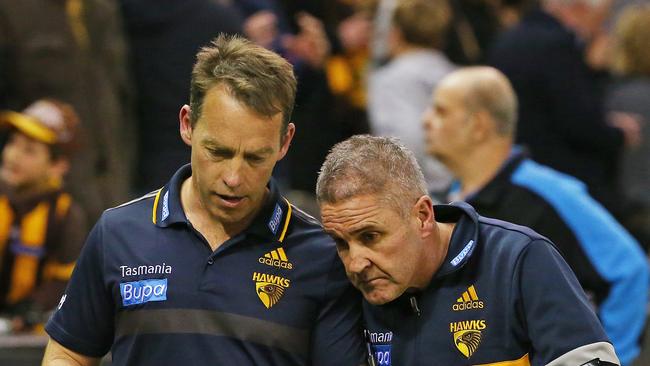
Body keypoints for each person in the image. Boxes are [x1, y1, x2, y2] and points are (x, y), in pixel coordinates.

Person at [42, 35, 366, 366]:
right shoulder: (118, 233)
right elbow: (68, 353)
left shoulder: (323, 257)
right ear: (188, 124)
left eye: (255, 157)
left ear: (285, 142)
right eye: (218, 151)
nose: (234, 177)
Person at [317, 134, 621, 365]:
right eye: (341, 242)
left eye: (370, 236)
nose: (355, 263)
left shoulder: (518, 260)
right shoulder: (340, 287)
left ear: (423, 216)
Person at [422, 66, 648, 365]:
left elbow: (629, 270)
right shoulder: (448, 205)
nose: (426, 122)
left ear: (478, 125)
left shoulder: (551, 193)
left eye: (440, 111)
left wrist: (605, 356)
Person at [487, 0, 641, 215]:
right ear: (580, 9)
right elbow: (579, 122)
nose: (602, 29)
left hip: (517, 176)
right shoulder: (557, 45)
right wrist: (617, 133)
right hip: (560, 182)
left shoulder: (510, 37)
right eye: (602, 19)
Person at [0, 99, 86, 332]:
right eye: (13, 143)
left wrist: (31, 308)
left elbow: (65, 281)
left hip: (31, 333)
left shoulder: (66, 216)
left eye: (29, 150)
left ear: (58, 165)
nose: (13, 156)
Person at [368, 0, 455, 197]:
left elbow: (405, 142)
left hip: (418, 195)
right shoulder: (455, 74)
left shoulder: (388, 80)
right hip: (457, 191)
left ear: (395, 33)